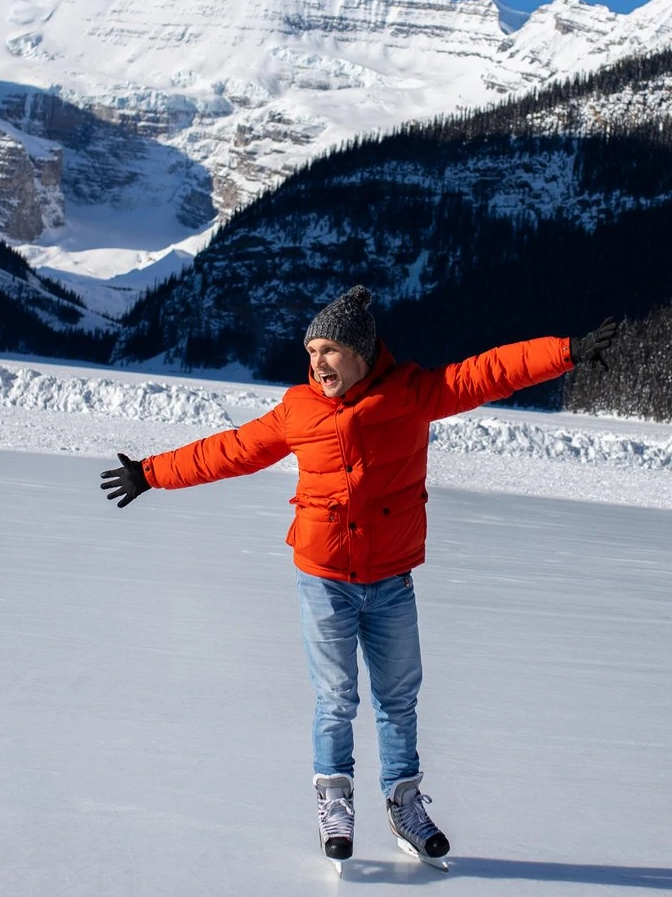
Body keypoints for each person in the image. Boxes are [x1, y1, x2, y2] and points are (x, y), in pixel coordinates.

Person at [99, 285, 618, 868]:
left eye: (329, 350)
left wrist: (565, 351)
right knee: (336, 697)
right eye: (311, 350)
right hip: (324, 580)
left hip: (391, 580)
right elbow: (233, 449)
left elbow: (488, 373)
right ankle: (334, 799)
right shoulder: (299, 410)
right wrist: (151, 473)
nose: (317, 362)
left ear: (362, 352)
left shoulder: (413, 395)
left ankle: (403, 804)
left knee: (399, 699)